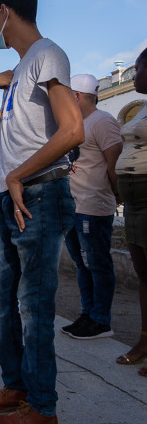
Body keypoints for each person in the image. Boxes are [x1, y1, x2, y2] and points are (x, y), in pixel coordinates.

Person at [0, 0, 84, 423]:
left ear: (5, 12)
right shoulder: (22, 70)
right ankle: (16, 387)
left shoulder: (48, 55)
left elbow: (73, 130)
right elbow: (1, 139)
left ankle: (42, 407)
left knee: (33, 306)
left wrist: (16, 175)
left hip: (39, 194)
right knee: (2, 299)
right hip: (11, 196)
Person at [62, 74, 123, 340]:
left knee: (97, 263)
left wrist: (117, 194)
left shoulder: (103, 121)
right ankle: (88, 314)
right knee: (81, 263)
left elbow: (114, 163)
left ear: (77, 95)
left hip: (93, 205)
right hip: (75, 205)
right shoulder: (77, 123)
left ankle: (101, 320)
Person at [115, 47, 147, 378]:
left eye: (138, 69)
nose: (133, 75)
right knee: (143, 273)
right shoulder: (141, 109)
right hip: (136, 202)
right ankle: (144, 340)